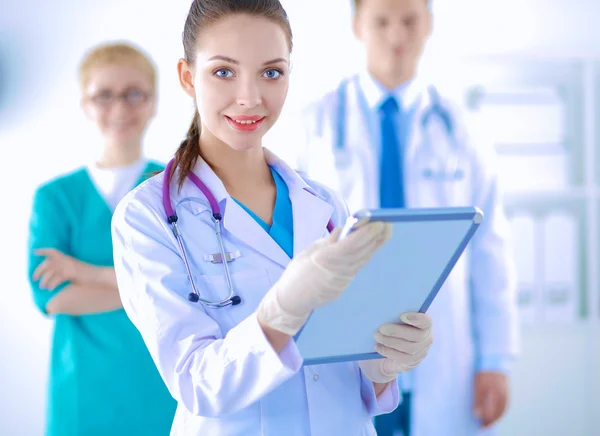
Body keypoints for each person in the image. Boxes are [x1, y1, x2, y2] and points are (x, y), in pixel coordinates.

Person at [110, 1, 435, 435]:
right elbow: (195, 381)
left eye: (271, 72)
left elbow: (350, 379)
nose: (250, 97)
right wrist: (280, 314)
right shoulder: (147, 217)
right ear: (188, 77)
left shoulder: (324, 206)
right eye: (224, 72)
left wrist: (383, 366)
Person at [297, 0, 519, 435]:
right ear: (358, 25)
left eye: (409, 21)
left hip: (443, 358)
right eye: (382, 21)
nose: (396, 36)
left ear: (429, 25)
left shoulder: (462, 130)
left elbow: (489, 251)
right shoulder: (315, 126)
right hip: (346, 349)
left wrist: (494, 360)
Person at [27, 41, 176, 436]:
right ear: (84, 104)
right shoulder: (56, 198)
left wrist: (82, 272)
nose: (120, 109)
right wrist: (146, 287)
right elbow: (53, 296)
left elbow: (188, 282)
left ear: (153, 102)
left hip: (162, 390)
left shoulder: (176, 189)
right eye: (104, 95)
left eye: (133, 94)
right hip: (82, 396)